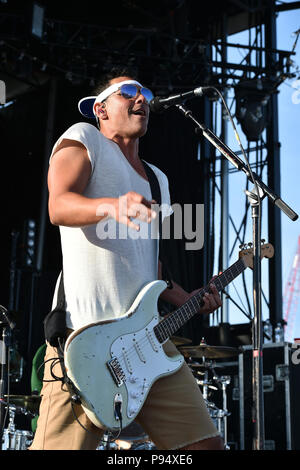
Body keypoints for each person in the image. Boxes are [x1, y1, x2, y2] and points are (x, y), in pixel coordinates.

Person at [29, 68, 223, 451]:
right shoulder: (83, 138)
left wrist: (182, 298)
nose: (142, 100)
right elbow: (59, 205)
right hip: (87, 340)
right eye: (129, 93)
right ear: (100, 109)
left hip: (148, 346)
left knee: (205, 445)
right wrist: (112, 207)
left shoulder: (157, 180)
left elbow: (148, 266)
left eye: (146, 95)